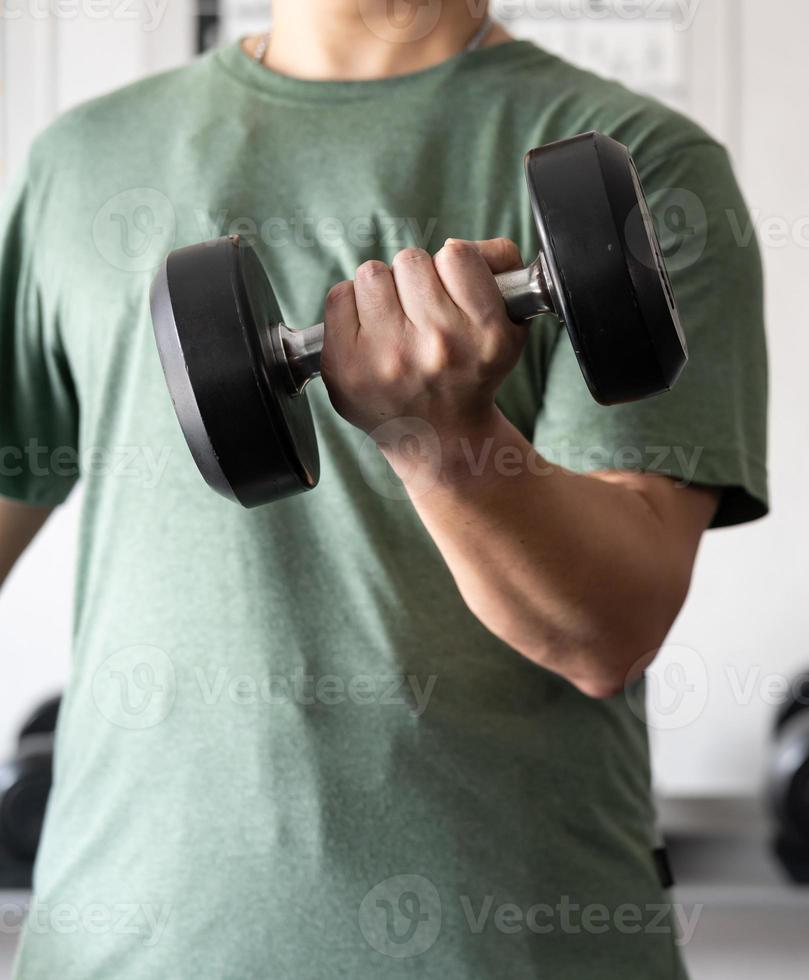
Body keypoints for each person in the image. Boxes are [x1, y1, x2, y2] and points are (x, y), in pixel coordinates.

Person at [0, 2, 768, 976]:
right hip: (123, 948)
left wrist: (440, 438)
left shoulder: (643, 162)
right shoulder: (83, 160)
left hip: (502, 948)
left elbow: (606, 629)